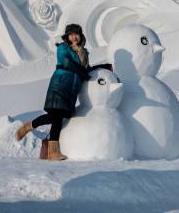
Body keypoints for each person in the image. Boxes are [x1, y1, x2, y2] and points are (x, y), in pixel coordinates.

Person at [15, 23, 111, 160]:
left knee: (56, 117)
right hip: (60, 84)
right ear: (67, 36)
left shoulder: (84, 52)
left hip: (72, 88)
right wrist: (83, 72)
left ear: (80, 35)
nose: (74, 37)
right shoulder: (62, 48)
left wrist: (105, 66)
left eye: (76, 34)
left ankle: (29, 126)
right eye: (71, 34)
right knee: (57, 117)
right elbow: (67, 63)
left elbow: (85, 69)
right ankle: (52, 152)